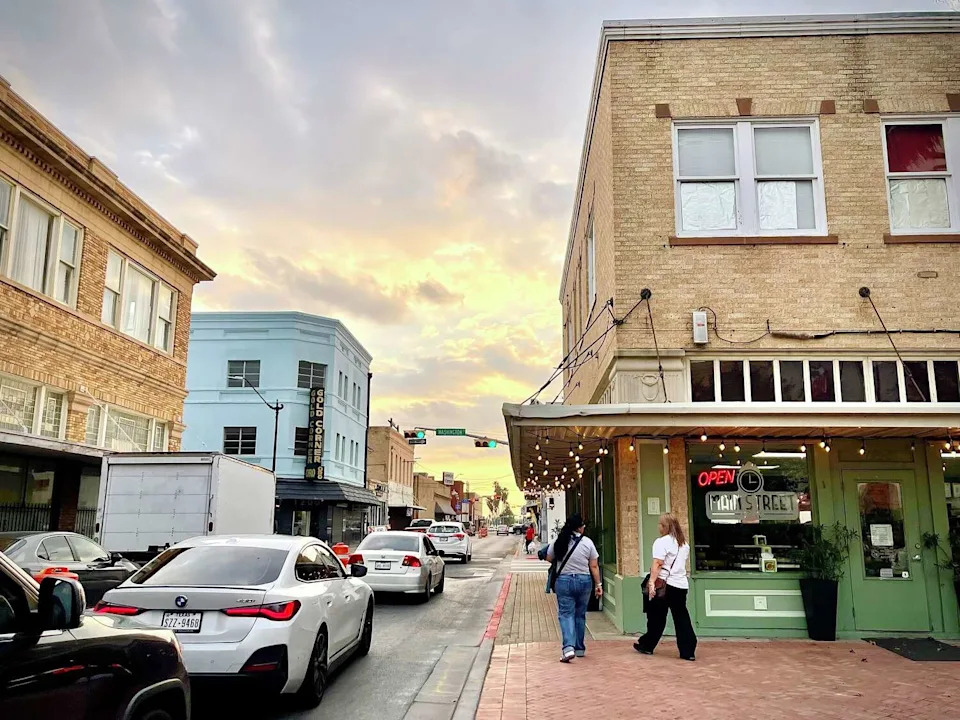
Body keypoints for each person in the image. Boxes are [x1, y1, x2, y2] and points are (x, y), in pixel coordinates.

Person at [634, 513, 697, 661]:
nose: (658, 527)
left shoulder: (661, 542)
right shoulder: (684, 545)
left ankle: (648, 644)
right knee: (681, 617)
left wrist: (651, 583)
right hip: (680, 585)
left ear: (664, 527)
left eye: (660, 524)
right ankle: (688, 650)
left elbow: (658, 563)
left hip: (664, 584)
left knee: (656, 616)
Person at [547, 514, 602, 662]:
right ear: (579, 527)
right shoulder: (588, 543)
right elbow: (594, 565)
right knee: (580, 614)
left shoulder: (559, 541)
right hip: (584, 581)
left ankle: (568, 648)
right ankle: (579, 648)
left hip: (564, 581)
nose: (584, 528)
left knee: (566, 614)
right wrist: (598, 584)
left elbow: (548, 557)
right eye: (583, 525)